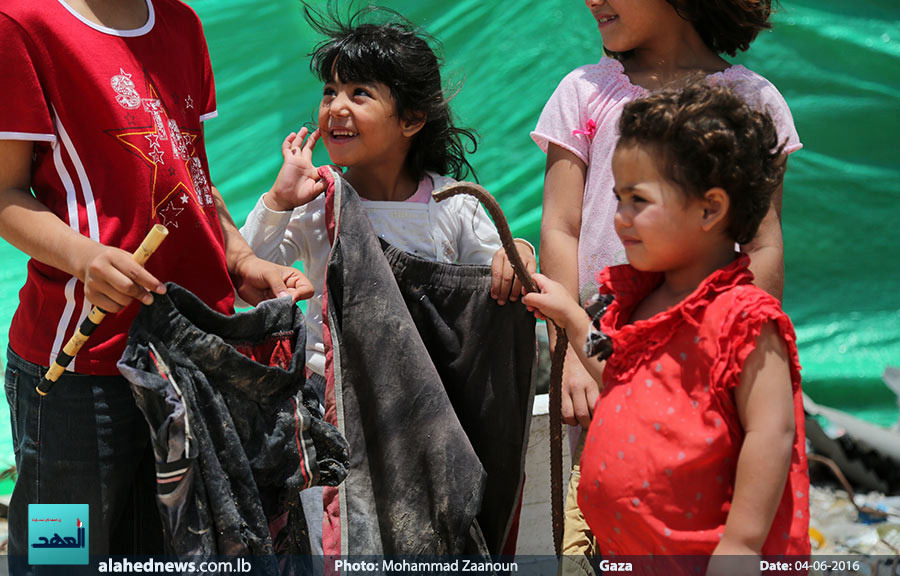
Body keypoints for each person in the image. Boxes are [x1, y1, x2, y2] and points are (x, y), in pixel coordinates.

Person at [0, 0, 312, 563]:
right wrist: (85, 257)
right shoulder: (23, 24)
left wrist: (240, 261)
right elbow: (4, 192)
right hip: (80, 370)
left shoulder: (181, 23)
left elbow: (188, 170)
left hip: (193, 356)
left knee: (179, 555)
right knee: (61, 559)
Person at [239, 6, 535, 555]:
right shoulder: (318, 205)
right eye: (330, 92)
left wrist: (519, 251)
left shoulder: (453, 209)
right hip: (334, 425)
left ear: (412, 118)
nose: (336, 108)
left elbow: (504, 282)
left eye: (359, 93)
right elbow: (245, 278)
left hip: (428, 426)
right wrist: (277, 201)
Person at [530, 0, 801, 565]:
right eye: (618, 198)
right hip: (603, 373)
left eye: (639, 200)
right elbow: (561, 224)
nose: (621, 217)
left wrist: (733, 346)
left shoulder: (754, 102)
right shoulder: (585, 91)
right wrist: (570, 353)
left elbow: (764, 243)